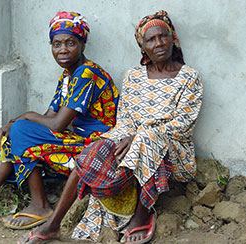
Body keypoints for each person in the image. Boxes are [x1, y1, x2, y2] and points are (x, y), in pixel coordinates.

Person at [0, 11, 119, 232]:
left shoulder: (87, 73)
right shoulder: (68, 76)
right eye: (56, 43)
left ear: (83, 44)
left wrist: (22, 118)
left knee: (21, 129)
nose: (62, 49)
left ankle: (40, 205)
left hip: (95, 147)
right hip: (76, 140)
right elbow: (48, 117)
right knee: (13, 132)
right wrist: (14, 125)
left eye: (70, 43)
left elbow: (56, 125)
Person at [70, 10, 204, 244]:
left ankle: (142, 216)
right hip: (132, 145)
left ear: (173, 39)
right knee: (98, 148)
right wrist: (114, 141)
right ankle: (51, 224)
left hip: (174, 153)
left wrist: (140, 135)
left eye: (163, 36)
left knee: (148, 138)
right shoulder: (133, 75)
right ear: (143, 48)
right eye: (151, 39)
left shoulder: (189, 77)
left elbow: (182, 125)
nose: (159, 43)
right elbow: (125, 122)